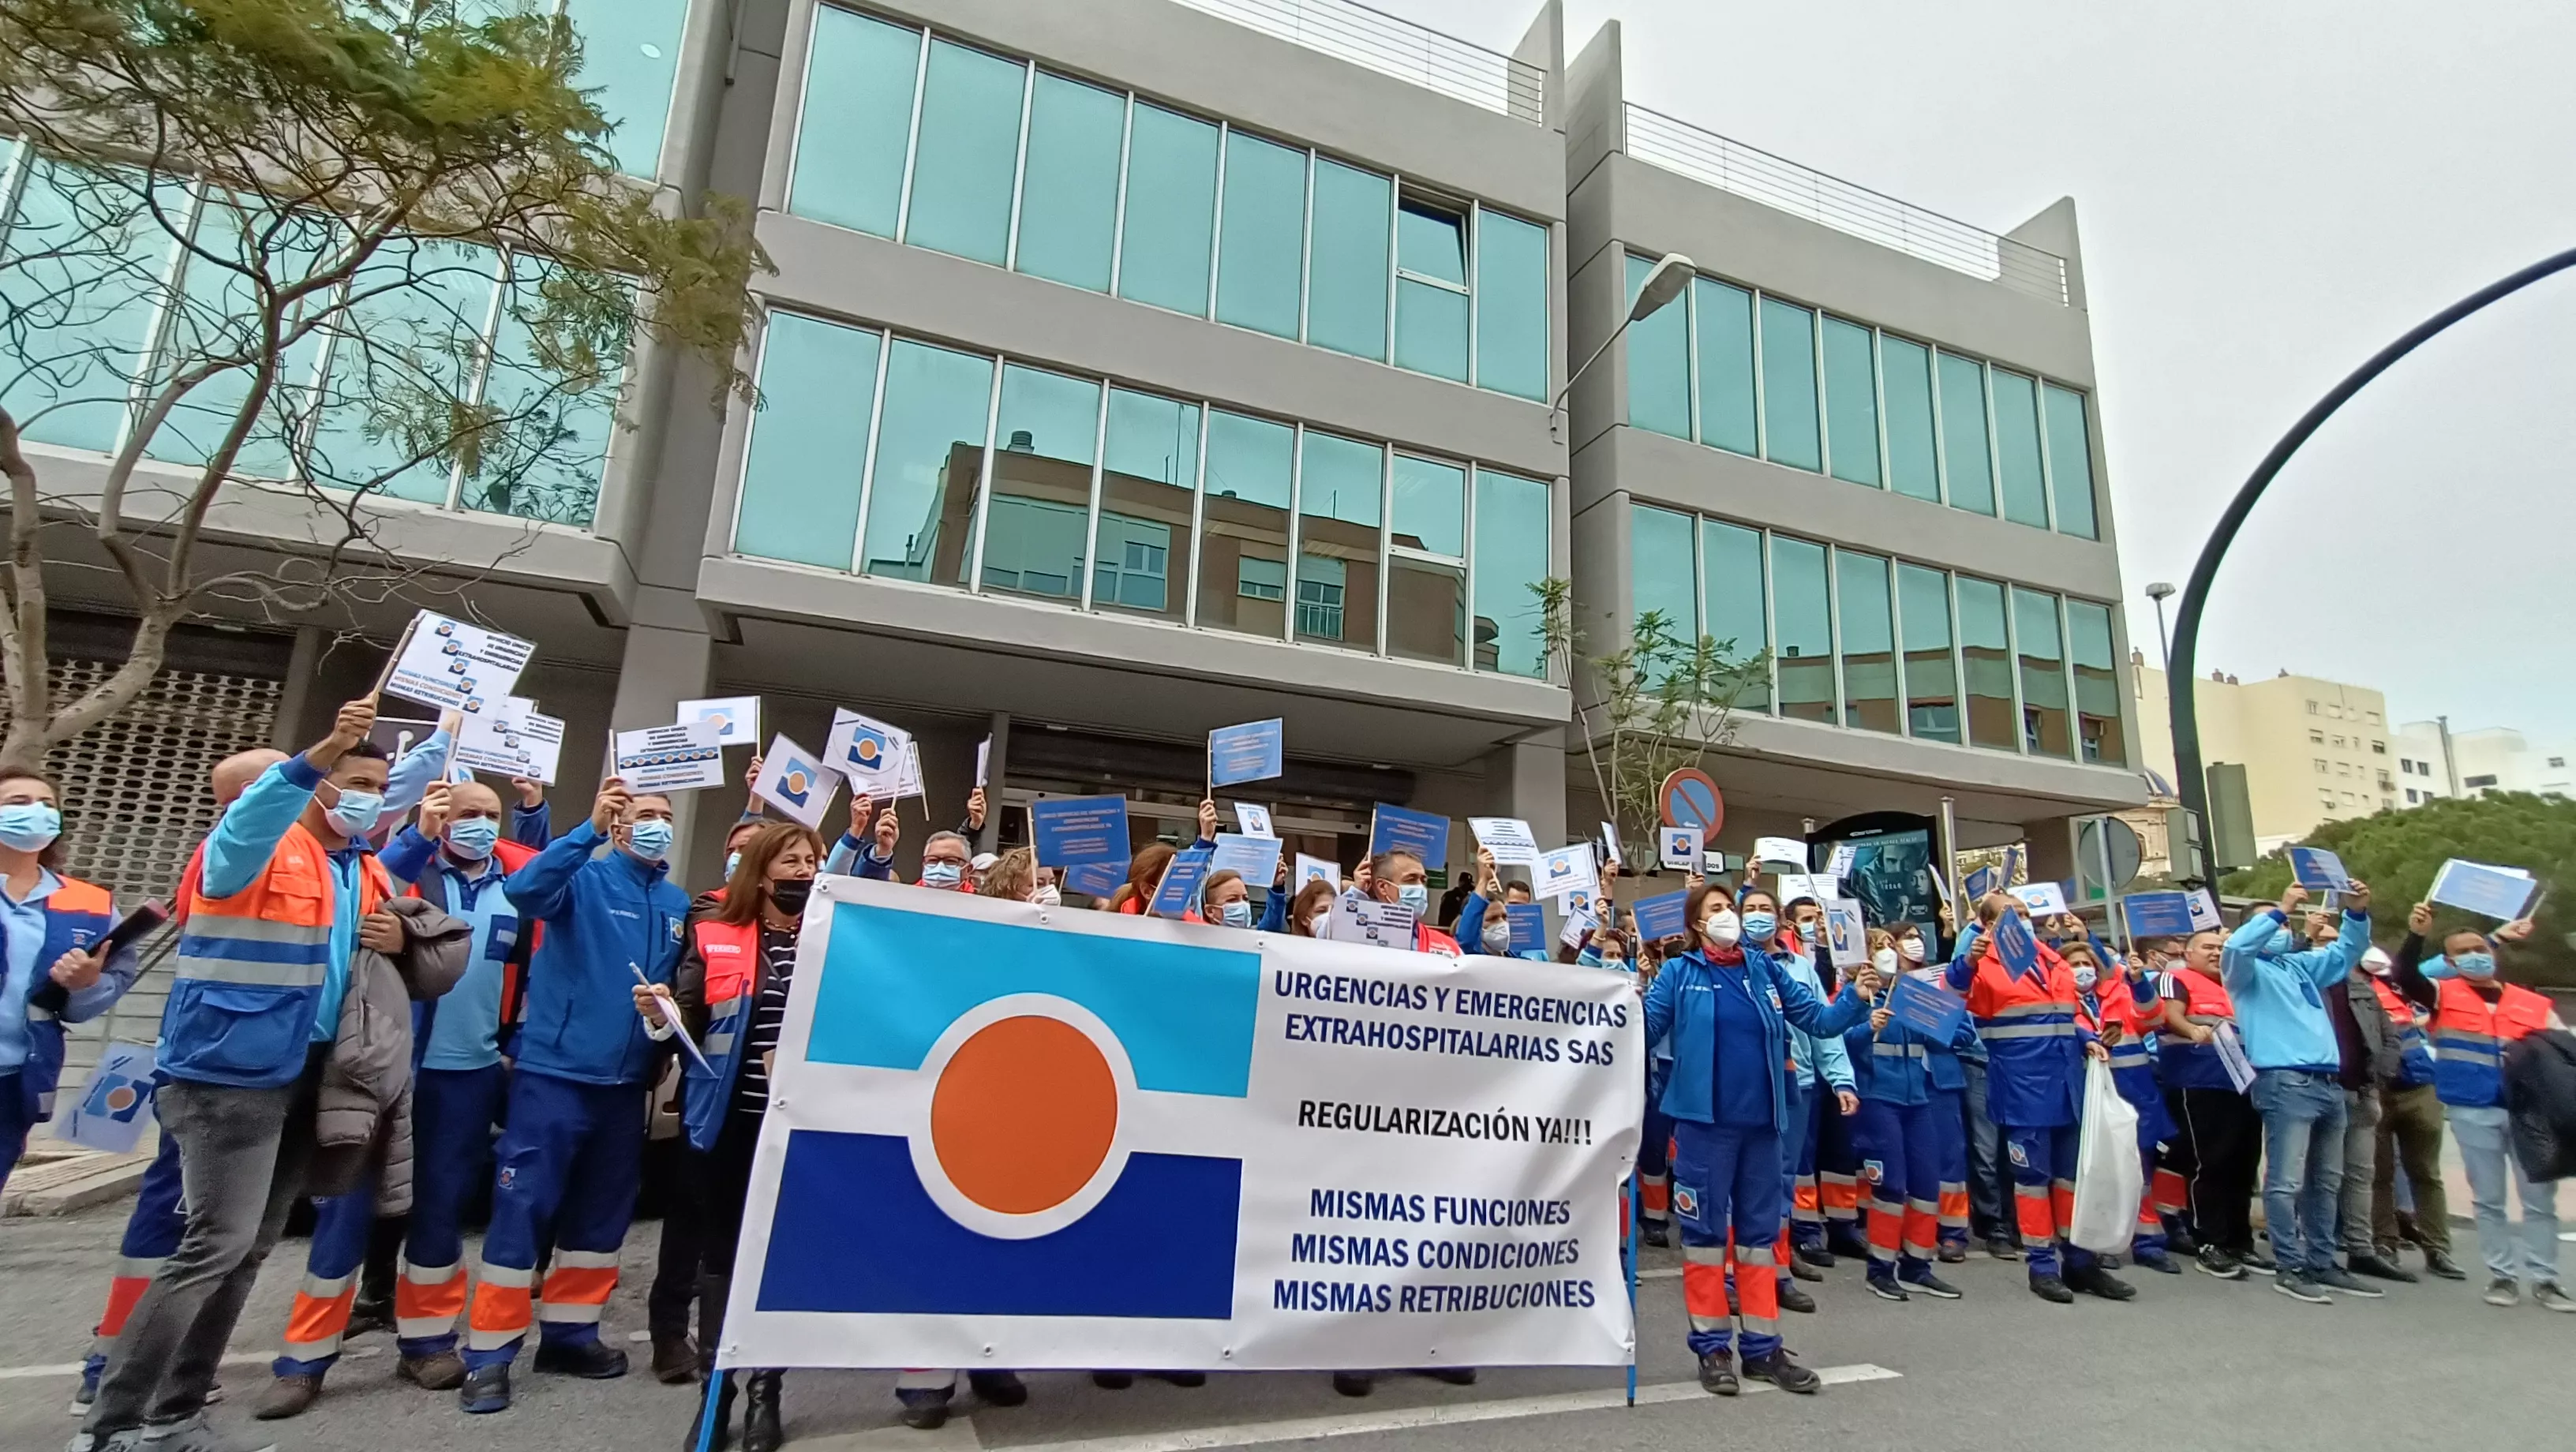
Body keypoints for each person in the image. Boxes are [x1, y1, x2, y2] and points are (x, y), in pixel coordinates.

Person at [81, 698, 472, 1452]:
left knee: (247, 1249)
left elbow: (405, 943)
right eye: (353, 784)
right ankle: (113, 1424)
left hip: (310, 1075)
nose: (370, 799)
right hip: (228, 1074)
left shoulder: (360, 869)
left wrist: (399, 940)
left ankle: (174, 1418)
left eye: (377, 788)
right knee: (213, 1246)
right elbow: (261, 811)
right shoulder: (247, 847)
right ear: (316, 786)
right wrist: (323, 748)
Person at [252, 779, 540, 1418]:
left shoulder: (515, 888)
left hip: (467, 1074)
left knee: (441, 1211)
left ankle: (428, 1344)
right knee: (346, 1211)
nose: (481, 824)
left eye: (491, 815)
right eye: (468, 813)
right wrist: (417, 833)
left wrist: (508, 1044)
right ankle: (304, 1361)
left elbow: (523, 971)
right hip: (385, 1068)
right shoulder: (401, 872)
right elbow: (374, 883)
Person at [459, 776, 692, 1413]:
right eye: (645, 813)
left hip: (626, 1087)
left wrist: (663, 1016)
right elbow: (524, 890)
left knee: (601, 1218)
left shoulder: (675, 902)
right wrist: (586, 832)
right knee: (522, 1210)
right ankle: (489, 1355)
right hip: (555, 1076)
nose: (658, 824)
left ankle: (570, 1335)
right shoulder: (581, 878)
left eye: (666, 815)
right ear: (619, 824)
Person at [71, 750, 284, 1415]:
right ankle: (116, 1371)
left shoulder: (270, 854)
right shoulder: (236, 856)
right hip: (213, 1067)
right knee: (184, 1220)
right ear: (254, 795)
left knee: (200, 1224)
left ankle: (134, 1364)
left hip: (233, 1060)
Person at [1644, 884, 1874, 1396]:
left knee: (1758, 1241)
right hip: (1704, 1128)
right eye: (1717, 909)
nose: (1728, 915)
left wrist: (1855, 998)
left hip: (1764, 1126)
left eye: (1730, 906)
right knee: (1705, 1241)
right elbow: (1642, 1031)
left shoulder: (1764, 969)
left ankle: (1763, 1349)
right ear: (1697, 924)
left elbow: (1818, 1020)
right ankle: (1713, 1349)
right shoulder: (1678, 974)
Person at [656, 821, 826, 1452]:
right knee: (722, 1257)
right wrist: (663, 1017)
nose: (804, 871)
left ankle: (764, 1392)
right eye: (791, 860)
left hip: (800, 1131)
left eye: (812, 860)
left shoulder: (835, 937)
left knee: (776, 1258)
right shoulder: (716, 933)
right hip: (731, 1124)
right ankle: (715, 1393)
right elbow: (691, 1018)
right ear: (760, 869)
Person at [1944, 893, 2127, 1304]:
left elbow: (2063, 1016)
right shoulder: (1984, 964)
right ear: (1988, 925)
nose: (2024, 920)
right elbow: (1952, 995)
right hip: (2022, 1089)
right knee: (2032, 1183)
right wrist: (1968, 960)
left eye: (2026, 913)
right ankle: (2042, 1266)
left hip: (2066, 1085)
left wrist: (2087, 1038)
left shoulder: (2053, 960)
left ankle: (2080, 1262)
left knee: (2070, 1180)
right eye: (2013, 915)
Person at [2387, 902, 2570, 1312]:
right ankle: (2502, 1275)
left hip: (2529, 1113)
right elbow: (2404, 975)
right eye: (2464, 952)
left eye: (2481, 949)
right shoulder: (2442, 995)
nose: (2475, 955)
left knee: (2539, 1198)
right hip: (2473, 1108)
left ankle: (2546, 1278)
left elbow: (2564, 1055)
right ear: (2451, 963)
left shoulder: (2533, 1004)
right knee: (2488, 1198)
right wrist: (2416, 936)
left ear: (2493, 954)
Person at [2222, 881, 2376, 1304]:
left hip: (2328, 1083)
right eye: (2270, 923)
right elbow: (2236, 947)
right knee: (2285, 1181)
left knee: (2326, 1182)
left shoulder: (2298, 966)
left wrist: (2356, 913)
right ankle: (2290, 1265)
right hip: (2285, 1082)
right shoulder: (2244, 972)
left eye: (2283, 924)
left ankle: (2322, 1262)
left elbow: (2345, 953)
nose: (2280, 929)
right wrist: (2281, 908)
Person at [0, 768, 144, 1194]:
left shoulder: (90, 904)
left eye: (47, 805)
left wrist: (86, 985)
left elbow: (104, 989)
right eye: (18, 803)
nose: (36, 812)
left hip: (17, 1078)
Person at [1846, 926, 1968, 1302]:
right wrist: (1867, 1027)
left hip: (1917, 1099)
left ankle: (1917, 1266)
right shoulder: (1855, 997)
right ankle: (1880, 1269)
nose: (1888, 951)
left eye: (1890, 945)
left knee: (1926, 1184)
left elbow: (1958, 1036)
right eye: (1878, 947)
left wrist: (1939, 1019)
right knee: (1891, 1186)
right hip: (1877, 1099)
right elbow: (1837, 1042)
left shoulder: (1912, 995)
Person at [2069, 939, 2186, 1275]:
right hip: (2091, 1099)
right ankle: (2101, 1243)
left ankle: (2147, 1244)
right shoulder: (2058, 1002)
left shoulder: (2120, 993)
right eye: (2074, 965)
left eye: (2087, 963)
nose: (2082, 970)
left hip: (2136, 1096)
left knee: (2140, 1174)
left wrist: (2138, 981)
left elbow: (2153, 1017)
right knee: (2100, 1174)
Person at [2151, 928, 2261, 1278]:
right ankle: (2208, 1242)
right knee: (2208, 1163)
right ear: (2188, 953)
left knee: (2242, 1165)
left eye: (2222, 947)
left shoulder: (2236, 985)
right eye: (2208, 947)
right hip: (2197, 1081)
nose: (2216, 953)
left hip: (2242, 1085)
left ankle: (2239, 1242)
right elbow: (2170, 1015)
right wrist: (2191, 1030)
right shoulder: (2176, 977)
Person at [2317, 927, 2415, 1285]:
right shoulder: (2302, 985)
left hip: (2361, 1092)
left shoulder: (2362, 987)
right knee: (2323, 1176)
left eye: (2337, 942)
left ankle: (2361, 1249)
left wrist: (2378, 1078)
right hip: (2322, 1091)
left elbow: (2389, 1036)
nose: (2331, 948)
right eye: (2322, 941)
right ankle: (2319, 1251)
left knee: (2361, 1175)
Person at [2361, 944, 2462, 1278]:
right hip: (2376, 1087)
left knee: (2427, 1173)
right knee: (2379, 1174)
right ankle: (2384, 1242)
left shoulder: (2400, 984)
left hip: (2420, 1085)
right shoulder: (2348, 987)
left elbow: (2428, 964)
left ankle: (2438, 1249)